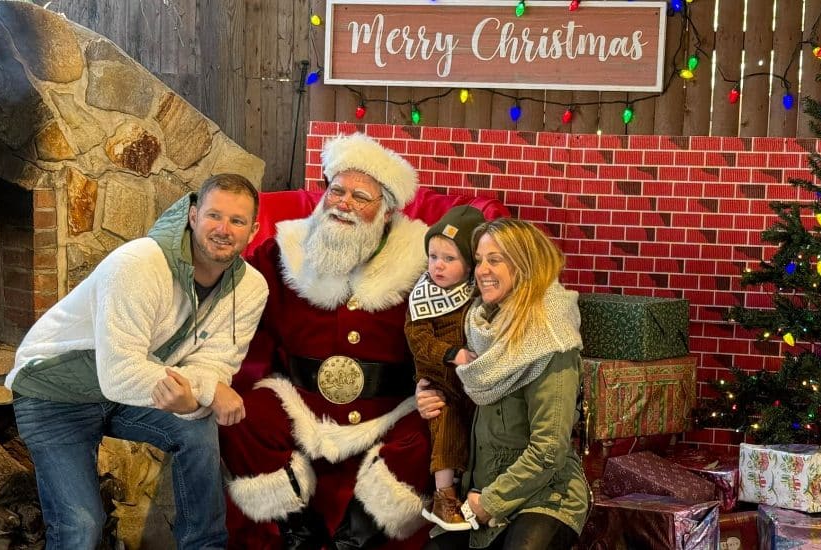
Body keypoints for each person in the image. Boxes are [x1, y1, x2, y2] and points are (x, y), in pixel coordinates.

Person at [6, 174, 268, 550]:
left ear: (253, 230)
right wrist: (207, 392)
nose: (223, 229)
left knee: (196, 429)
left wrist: (196, 397)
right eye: (214, 216)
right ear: (193, 216)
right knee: (81, 526)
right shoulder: (139, 263)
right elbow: (120, 374)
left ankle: (205, 545)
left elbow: (215, 362)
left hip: (123, 393)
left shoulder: (251, 288)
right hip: (54, 392)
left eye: (237, 221)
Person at [219, 132, 434, 549]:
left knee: (430, 434)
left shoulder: (422, 263)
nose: (344, 203)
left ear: (386, 211)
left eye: (360, 196)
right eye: (337, 190)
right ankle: (296, 527)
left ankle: (355, 537)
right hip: (301, 401)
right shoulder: (283, 252)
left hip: (388, 408)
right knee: (242, 415)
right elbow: (238, 302)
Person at [416, 217, 590, 550]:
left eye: (495, 260)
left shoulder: (551, 341)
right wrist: (427, 395)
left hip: (543, 497)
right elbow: (462, 396)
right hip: (479, 490)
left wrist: (491, 502)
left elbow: (549, 450)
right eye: (479, 260)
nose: (482, 270)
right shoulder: (480, 327)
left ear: (524, 266)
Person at [404, 205, 485, 531]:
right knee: (445, 420)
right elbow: (418, 342)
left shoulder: (476, 294)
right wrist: (453, 353)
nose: (437, 265)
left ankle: (478, 492)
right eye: (433, 256)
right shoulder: (423, 297)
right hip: (440, 377)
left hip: (474, 382)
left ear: (469, 264)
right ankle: (443, 496)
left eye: (449, 259)